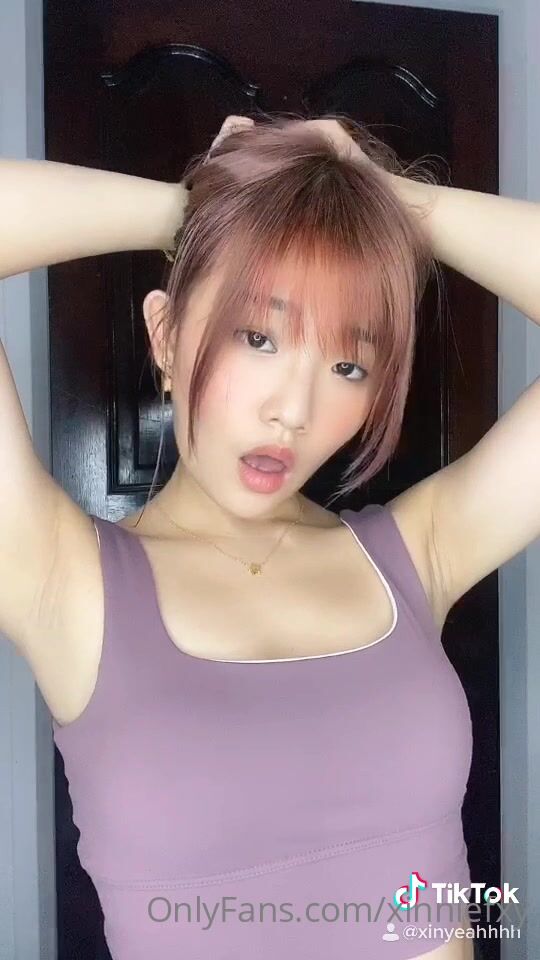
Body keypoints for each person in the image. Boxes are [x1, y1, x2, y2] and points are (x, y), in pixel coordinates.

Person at [0, 113, 538, 960]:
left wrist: (378, 203)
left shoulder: (414, 554)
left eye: (348, 365)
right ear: (166, 336)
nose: (294, 409)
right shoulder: (59, 579)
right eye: (259, 336)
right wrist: (205, 211)